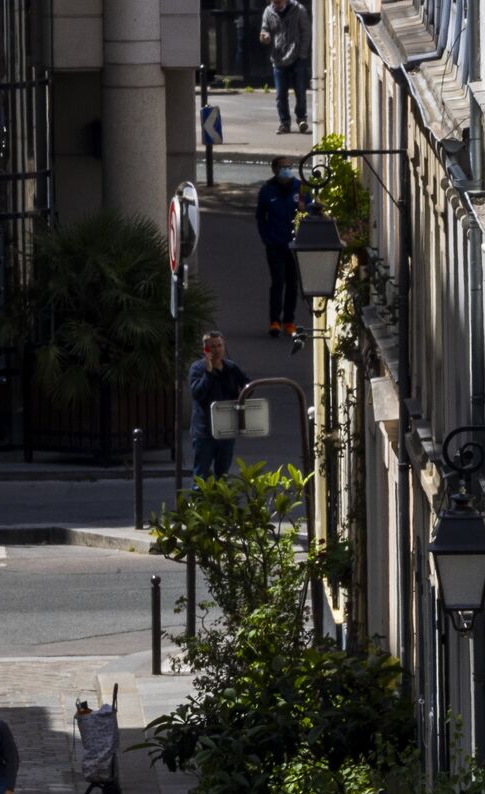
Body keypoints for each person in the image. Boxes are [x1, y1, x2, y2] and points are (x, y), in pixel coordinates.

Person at [185, 330, 249, 484]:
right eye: (212, 347)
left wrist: (241, 398)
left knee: (223, 475)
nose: (217, 350)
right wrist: (208, 372)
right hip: (204, 432)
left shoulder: (231, 368)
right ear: (205, 350)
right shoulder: (197, 369)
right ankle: (199, 505)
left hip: (226, 430)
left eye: (219, 346)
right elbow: (197, 393)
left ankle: (221, 505)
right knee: (201, 476)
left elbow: (248, 385)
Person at [256, 158, 308, 340]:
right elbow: (261, 217)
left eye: (289, 167)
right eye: (282, 167)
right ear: (275, 170)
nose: (287, 170)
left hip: (294, 244)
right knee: (278, 282)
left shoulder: (300, 188)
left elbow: (310, 209)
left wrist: (304, 208)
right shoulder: (267, 190)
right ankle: (274, 321)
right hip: (276, 244)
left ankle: (289, 321)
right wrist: (266, 239)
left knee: (292, 283)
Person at [263, 0, 311, 130]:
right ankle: (284, 122)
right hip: (278, 58)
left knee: (300, 91)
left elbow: (306, 32)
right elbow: (265, 29)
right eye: (274, 2)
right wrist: (265, 37)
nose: (277, 4)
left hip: (297, 57)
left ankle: (301, 118)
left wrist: (302, 53)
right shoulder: (269, 12)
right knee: (280, 94)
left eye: (279, 2)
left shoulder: (299, 10)